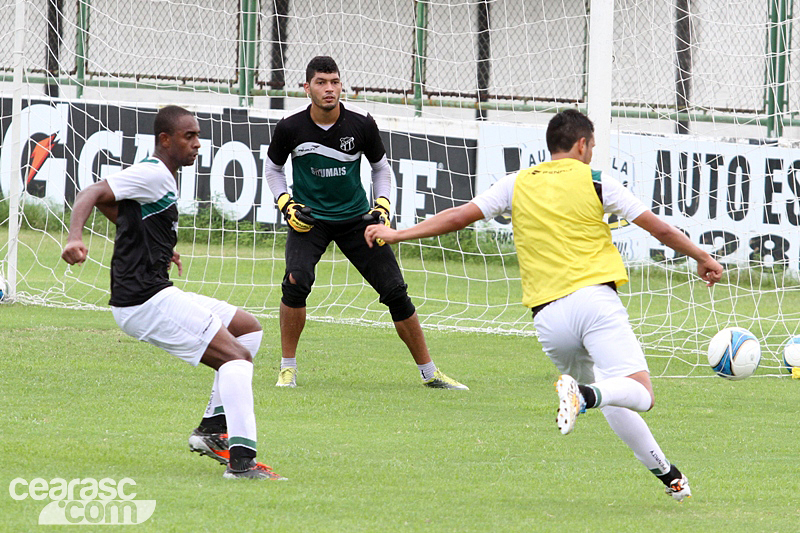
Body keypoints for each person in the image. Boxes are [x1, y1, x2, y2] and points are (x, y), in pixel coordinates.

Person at [365, 109, 724, 502]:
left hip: (548, 321)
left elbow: (458, 217)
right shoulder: (596, 180)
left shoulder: (517, 182)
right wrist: (702, 257)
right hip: (593, 301)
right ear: (583, 144)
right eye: (592, 146)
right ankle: (583, 397)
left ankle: (668, 474)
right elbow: (660, 228)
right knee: (639, 393)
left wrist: (397, 234)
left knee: (608, 389)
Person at [61, 105, 286, 481]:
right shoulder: (152, 173)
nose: (197, 144)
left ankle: (212, 430)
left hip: (152, 290)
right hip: (143, 301)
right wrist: (74, 237)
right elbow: (92, 192)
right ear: (165, 140)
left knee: (248, 329)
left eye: (198, 135)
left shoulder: (161, 176)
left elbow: (120, 208)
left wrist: (158, 245)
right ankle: (242, 462)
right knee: (237, 360)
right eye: (189, 136)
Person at [264, 55, 467, 390]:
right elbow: (273, 169)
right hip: (310, 221)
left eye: (334, 82)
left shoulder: (361, 124)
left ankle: (430, 373)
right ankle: (287, 369)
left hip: (357, 220)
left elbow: (381, 168)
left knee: (395, 292)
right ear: (307, 88)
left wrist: (383, 204)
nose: (329, 89)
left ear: (341, 85)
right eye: (321, 82)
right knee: (295, 283)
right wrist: (286, 204)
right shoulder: (290, 127)